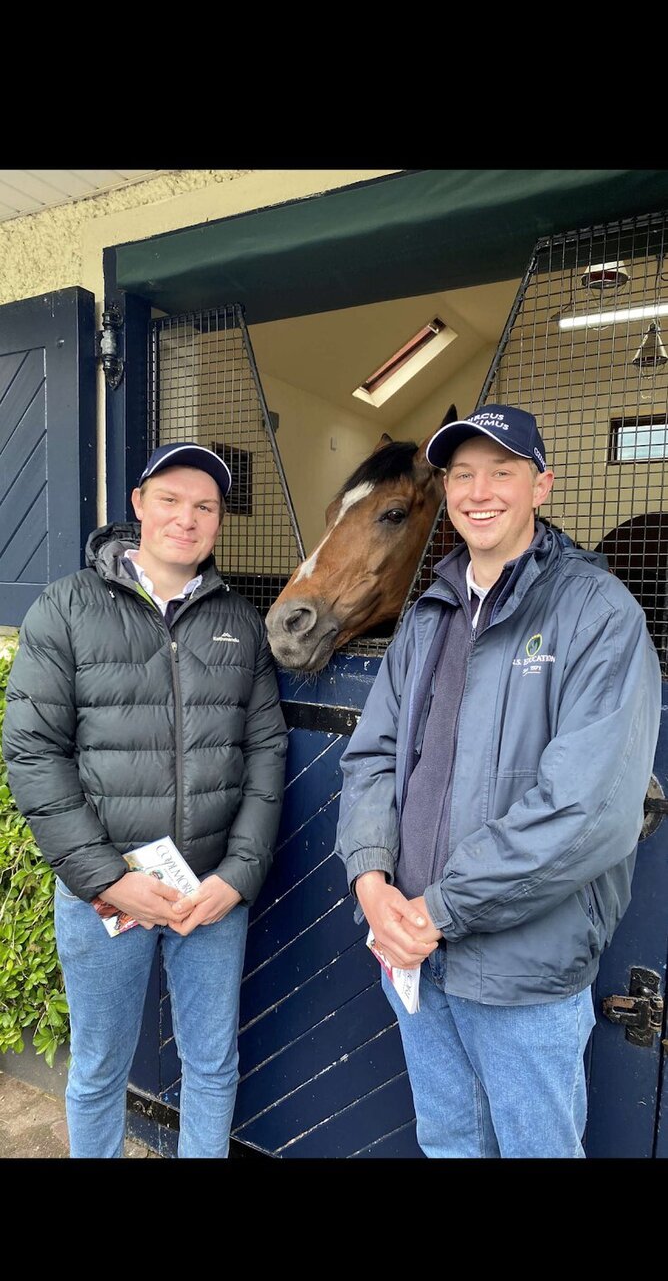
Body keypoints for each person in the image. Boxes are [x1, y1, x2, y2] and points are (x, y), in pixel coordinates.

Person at [335, 404, 662, 1158]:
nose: (480, 491)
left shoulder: (598, 615)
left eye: (503, 472)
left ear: (542, 485)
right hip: (412, 953)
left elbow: (589, 810)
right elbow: (371, 758)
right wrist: (371, 882)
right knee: (449, 1142)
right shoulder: (426, 617)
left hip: (522, 973)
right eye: (463, 474)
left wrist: (438, 910)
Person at [2, 443, 287, 1158]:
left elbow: (265, 753)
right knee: (99, 1069)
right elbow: (34, 752)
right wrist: (109, 878)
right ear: (138, 505)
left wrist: (235, 878)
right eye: (171, 500)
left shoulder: (240, 623)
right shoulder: (66, 608)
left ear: (219, 521)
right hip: (106, 897)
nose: (186, 519)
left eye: (205, 507)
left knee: (213, 1066)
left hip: (209, 899)